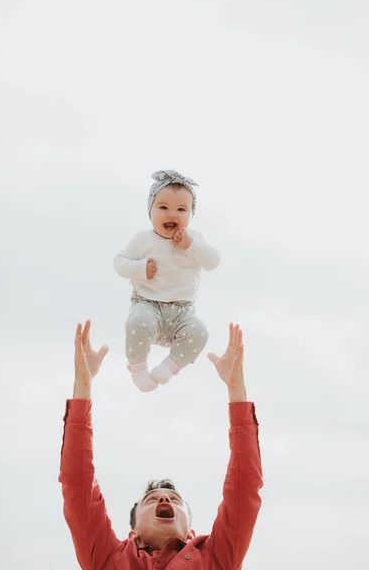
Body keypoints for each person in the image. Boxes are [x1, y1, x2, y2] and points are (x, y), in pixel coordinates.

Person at [59, 320, 263, 569]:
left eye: (174, 499)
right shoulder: (107, 558)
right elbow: (77, 482)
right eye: (152, 499)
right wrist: (83, 385)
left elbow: (244, 485)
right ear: (132, 533)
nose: (164, 499)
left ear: (190, 534)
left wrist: (236, 388)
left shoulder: (216, 557)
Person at [114, 170, 220, 392]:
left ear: (191, 214)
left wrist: (190, 245)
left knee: (200, 332)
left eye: (181, 209)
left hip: (182, 312)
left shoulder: (194, 239)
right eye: (163, 208)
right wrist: (140, 268)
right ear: (150, 211)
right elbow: (119, 263)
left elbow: (213, 262)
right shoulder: (143, 239)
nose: (172, 214)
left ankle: (169, 367)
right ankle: (138, 369)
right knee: (137, 323)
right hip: (147, 303)